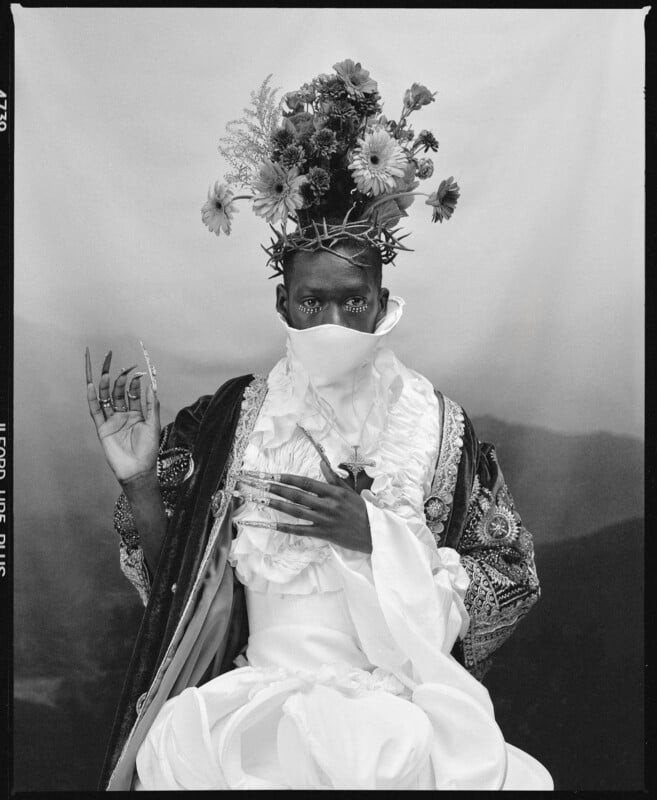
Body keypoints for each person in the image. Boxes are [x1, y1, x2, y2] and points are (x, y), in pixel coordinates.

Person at [86, 60, 553, 790]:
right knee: (182, 753)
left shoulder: (438, 430)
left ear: (381, 301)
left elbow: (507, 580)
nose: (332, 320)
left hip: (392, 709)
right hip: (247, 706)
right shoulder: (227, 421)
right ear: (283, 305)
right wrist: (143, 480)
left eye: (351, 301)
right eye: (312, 302)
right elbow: (174, 589)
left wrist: (377, 539)